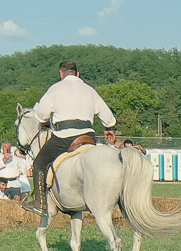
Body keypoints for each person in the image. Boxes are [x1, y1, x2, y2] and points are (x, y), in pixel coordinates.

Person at [27, 61, 116, 217]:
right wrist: (109, 128)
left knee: (39, 164)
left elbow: (41, 115)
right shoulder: (90, 90)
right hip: (88, 137)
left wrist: (45, 121)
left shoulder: (55, 89)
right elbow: (107, 115)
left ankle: (39, 204)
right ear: (77, 73)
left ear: (61, 74)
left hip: (64, 137)